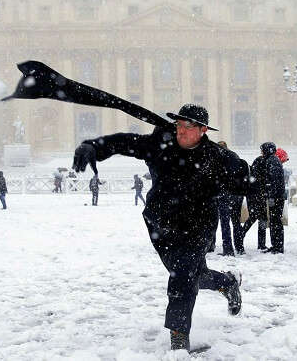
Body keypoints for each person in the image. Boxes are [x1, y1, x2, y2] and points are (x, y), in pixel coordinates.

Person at [72, 104, 246, 351]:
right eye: (179, 126)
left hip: (197, 226)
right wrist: (94, 146)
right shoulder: (160, 144)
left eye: (188, 127)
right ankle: (227, 283)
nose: (181, 131)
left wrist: (243, 178)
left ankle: (179, 340)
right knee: (193, 275)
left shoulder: (217, 156)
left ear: (203, 130)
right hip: (162, 224)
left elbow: (243, 180)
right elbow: (126, 141)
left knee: (183, 275)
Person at [214, 141, 245, 256]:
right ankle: (240, 247)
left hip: (225, 195)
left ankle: (228, 249)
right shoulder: (235, 156)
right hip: (237, 194)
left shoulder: (220, 158)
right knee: (236, 222)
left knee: (225, 222)